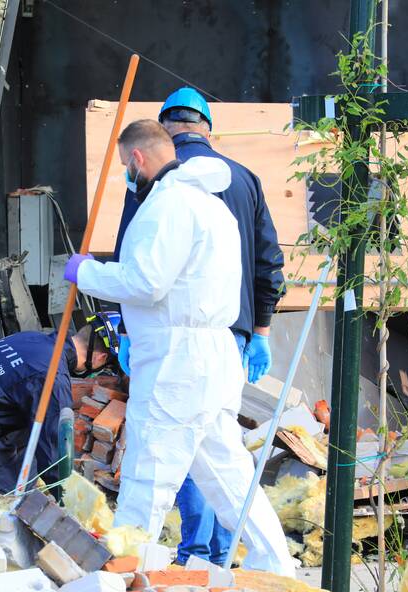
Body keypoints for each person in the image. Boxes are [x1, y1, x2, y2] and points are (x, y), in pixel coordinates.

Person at [64, 119, 295, 577]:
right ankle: (278, 567)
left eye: (125, 167)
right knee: (229, 475)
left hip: (177, 359)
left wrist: (84, 272)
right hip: (213, 354)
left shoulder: (165, 206)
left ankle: (124, 581)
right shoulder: (213, 208)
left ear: (137, 159)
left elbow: (144, 282)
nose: (127, 178)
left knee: (148, 470)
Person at [115, 88, 286, 567]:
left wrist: (124, 330)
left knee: (171, 453)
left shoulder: (154, 183)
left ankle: (192, 553)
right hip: (229, 335)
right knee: (216, 450)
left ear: (163, 129)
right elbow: (268, 261)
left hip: (173, 339)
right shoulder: (243, 178)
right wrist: (262, 331)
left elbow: (136, 264)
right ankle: (237, 559)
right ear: (209, 128)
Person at [0, 313, 120, 492]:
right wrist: (70, 499)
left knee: (29, 466)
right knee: (15, 501)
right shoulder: (52, 378)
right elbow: (54, 457)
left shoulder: (31, 338)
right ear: (100, 358)